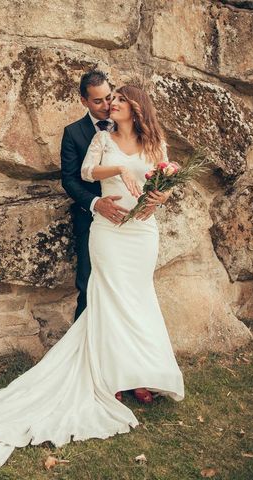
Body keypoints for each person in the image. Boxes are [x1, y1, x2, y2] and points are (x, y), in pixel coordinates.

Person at [0, 83, 184, 468]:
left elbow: (165, 182)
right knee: (108, 299)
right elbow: (85, 171)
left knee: (139, 299)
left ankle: (140, 375)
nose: (112, 104)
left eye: (120, 100)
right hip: (109, 231)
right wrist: (122, 168)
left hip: (143, 232)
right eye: (110, 100)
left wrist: (160, 197)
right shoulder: (101, 136)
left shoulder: (155, 144)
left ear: (137, 107)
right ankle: (108, 378)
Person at [60, 70, 158, 321]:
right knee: (89, 287)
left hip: (135, 223)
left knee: (132, 289)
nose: (108, 105)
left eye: (110, 97)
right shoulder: (74, 133)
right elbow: (70, 179)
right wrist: (96, 204)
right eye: (98, 101)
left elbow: (157, 173)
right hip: (94, 219)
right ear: (84, 101)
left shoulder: (141, 132)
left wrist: (160, 197)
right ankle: (88, 350)